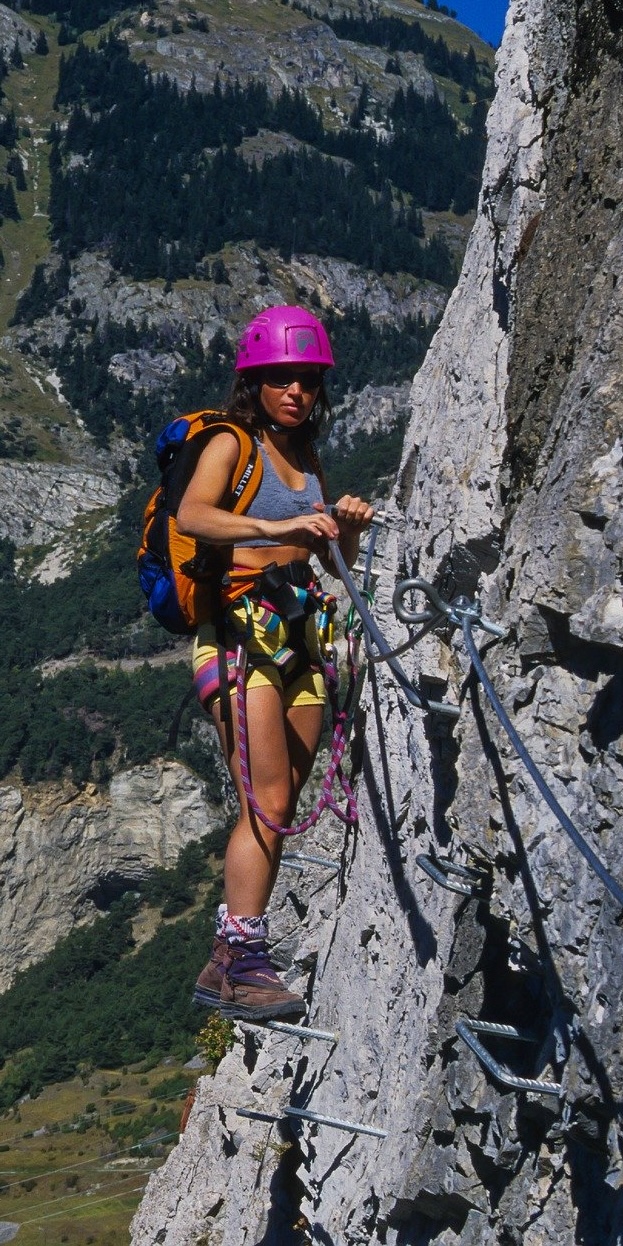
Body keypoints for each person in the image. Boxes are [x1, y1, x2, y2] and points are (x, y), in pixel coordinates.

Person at [177, 305, 373, 1022]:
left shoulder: (306, 460)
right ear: (253, 382)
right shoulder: (232, 443)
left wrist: (339, 532)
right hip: (235, 633)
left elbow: (328, 563)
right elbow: (193, 515)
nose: (296, 392)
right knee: (263, 799)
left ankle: (231, 960)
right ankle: (242, 955)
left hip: (297, 635)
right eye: (281, 379)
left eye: (308, 382)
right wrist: (275, 524)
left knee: (285, 800)